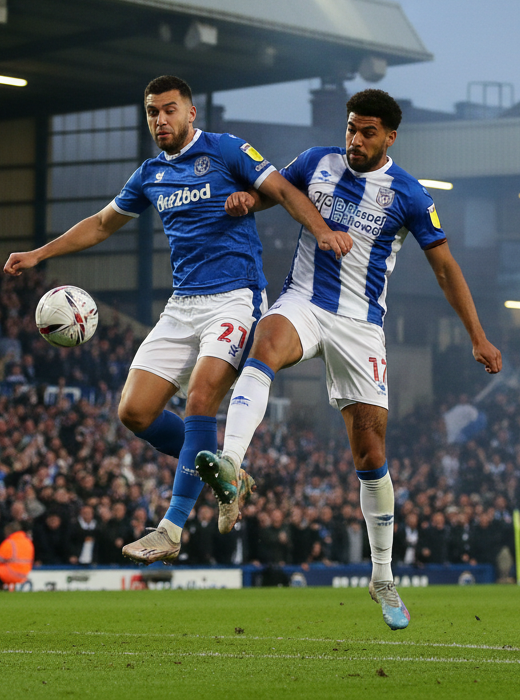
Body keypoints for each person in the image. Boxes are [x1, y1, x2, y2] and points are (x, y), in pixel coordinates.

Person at [3, 75, 350, 563]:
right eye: (152, 112)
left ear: (191, 113)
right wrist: (40, 254)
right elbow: (101, 224)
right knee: (134, 412)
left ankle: (171, 527)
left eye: (169, 109)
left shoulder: (227, 150)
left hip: (234, 298)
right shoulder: (150, 174)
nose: (160, 119)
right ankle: (224, 473)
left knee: (200, 400)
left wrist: (323, 229)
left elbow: (285, 190)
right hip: (182, 305)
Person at [198, 89, 501, 630]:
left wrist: (477, 336)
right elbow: (277, 191)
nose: (355, 140)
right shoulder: (317, 162)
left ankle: (382, 577)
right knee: (265, 343)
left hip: (361, 328)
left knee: (370, 454)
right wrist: (249, 200)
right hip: (303, 301)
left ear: (390, 137)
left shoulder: (409, 194)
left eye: (367, 132)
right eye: (351, 128)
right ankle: (232, 465)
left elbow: (445, 269)